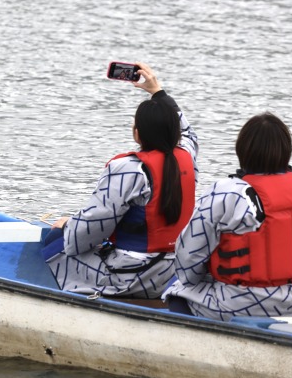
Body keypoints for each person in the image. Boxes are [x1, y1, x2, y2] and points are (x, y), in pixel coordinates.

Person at [43, 63, 198, 300]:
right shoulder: (187, 155)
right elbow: (188, 133)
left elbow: (89, 231)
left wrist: (67, 226)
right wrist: (157, 91)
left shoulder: (129, 169)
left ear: (137, 133)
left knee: (56, 242)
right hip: (174, 274)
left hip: (132, 278)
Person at [167, 112, 292, 321]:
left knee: (176, 289)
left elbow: (187, 261)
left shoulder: (225, 191)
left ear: (243, 149)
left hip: (239, 303)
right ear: (286, 151)